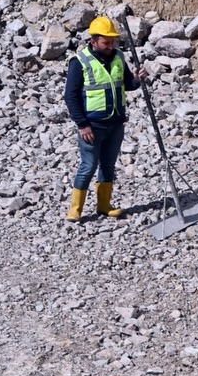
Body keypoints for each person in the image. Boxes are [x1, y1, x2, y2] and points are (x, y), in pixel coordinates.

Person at [63, 15, 147, 222]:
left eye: (112, 41)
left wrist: (137, 79)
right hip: (92, 126)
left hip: (116, 123)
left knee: (108, 165)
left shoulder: (118, 57)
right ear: (93, 41)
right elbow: (70, 96)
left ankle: (104, 206)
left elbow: (127, 84)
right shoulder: (79, 61)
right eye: (105, 42)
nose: (110, 45)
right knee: (88, 166)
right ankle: (75, 209)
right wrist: (82, 125)